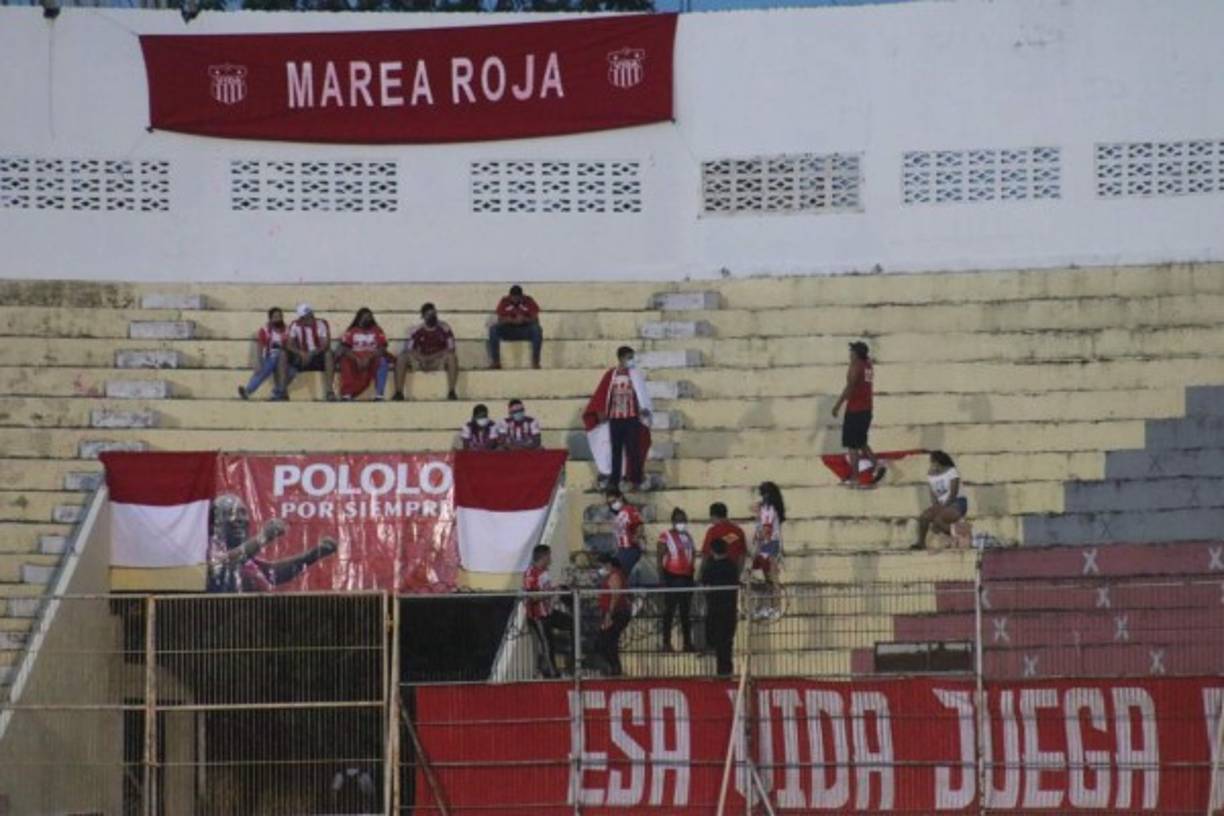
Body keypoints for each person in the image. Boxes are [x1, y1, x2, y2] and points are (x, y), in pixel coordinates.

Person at [206, 494, 338, 593]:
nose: (239, 519)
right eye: (230, 514)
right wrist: (263, 537)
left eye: (242, 513)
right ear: (213, 525)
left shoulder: (247, 558)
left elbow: (272, 573)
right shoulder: (206, 548)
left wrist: (313, 554)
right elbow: (220, 566)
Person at [582, 346, 652, 491]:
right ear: (620, 358)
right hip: (615, 419)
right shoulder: (611, 375)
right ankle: (614, 480)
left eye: (632, 357)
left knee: (633, 449)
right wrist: (601, 411)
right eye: (629, 357)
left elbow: (642, 395)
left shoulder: (635, 375)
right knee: (616, 450)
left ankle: (635, 479)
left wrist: (643, 409)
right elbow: (602, 394)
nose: (631, 360)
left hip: (631, 418)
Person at [831, 341, 882, 488]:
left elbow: (850, 387)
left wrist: (837, 405)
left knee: (852, 445)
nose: (850, 354)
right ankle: (877, 465)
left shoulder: (856, 366)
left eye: (852, 351)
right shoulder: (867, 364)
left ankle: (855, 477)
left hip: (856, 410)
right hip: (866, 409)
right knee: (861, 442)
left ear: (857, 354)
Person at [522, 544, 571, 678]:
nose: (551, 559)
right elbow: (532, 596)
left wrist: (557, 589)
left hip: (548, 612)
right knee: (546, 643)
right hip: (538, 615)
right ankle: (551, 672)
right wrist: (551, 592)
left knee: (571, 623)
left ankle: (571, 659)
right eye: (549, 556)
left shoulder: (544, 572)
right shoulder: (531, 573)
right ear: (543, 557)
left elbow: (546, 590)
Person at [394, 302, 459, 402]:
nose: (432, 316)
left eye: (433, 313)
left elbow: (451, 348)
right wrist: (421, 358)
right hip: (421, 361)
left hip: (438, 360)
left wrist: (431, 357)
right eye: (428, 315)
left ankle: (452, 391)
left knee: (452, 357)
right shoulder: (417, 330)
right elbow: (409, 349)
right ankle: (399, 392)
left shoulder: (445, 328)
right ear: (423, 317)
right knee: (402, 357)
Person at [657, 507, 697, 653]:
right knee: (670, 611)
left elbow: (692, 554)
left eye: (684, 520)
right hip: (672, 576)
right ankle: (666, 643)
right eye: (679, 520)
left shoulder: (688, 536)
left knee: (685, 611)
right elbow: (659, 557)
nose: (682, 523)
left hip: (687, 576)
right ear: (673, 521)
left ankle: (687, 643)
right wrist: (662, 578)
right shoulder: (665, 536)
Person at [912, 450, 969, 550]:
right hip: (942, 504)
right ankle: (921, 543)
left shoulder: (952, 471)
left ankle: (962, 535)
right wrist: (936, 507)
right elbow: (933, 495)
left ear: (939, 462)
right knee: (924, 517)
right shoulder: (931, 475)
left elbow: (953, 493)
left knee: (938, 521)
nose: (932, 464)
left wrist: (943, 507)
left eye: (933, 462)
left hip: (957, 502)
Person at [701, 537, 740, 677]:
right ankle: (726, 671)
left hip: (715, 607)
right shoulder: (732, 565)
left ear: (712, 551)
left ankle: (721, 670)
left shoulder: (710, 567)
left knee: (717, 639)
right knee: (726, 642)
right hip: (730, 607)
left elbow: (705, 586)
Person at [335, 307, 390, 401]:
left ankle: (379, 394)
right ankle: (347, 394)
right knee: (345, 361)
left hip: (373, 357)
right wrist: (357, 359)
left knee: (383, 361)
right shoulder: (351, 331)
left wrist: (369, 358)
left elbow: (382, 348)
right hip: (355, 358)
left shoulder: (377, 330)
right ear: (359, 318)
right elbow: (344, 348)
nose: (368, 319)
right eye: (365, 317)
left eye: (369, 317)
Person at [286, 304, 336, 402]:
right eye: (307, 316)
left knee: (328, 354)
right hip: (301, 356)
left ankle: (329, 391)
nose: (311, 318)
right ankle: (281, 390)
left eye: (311, 314)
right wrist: (301, 353)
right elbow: (289, 344)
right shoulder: (295, 325)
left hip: (317, 356)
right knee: (289, 361)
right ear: (301, 318)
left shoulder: (321, 323)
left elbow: (325, 344)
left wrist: (311, 354)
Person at [238, 307, 290, 401]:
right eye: (275, 317)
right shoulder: (265, 330)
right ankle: (280, 393)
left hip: (285, 358)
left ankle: (279, 393)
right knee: (264, 368)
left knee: (283, 358)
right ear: (270, 319)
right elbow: (260, 347)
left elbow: (290, 345)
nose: (278, 319)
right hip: (270, 357)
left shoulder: (287, 330)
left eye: (280, 316)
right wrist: (259, 361)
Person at [751, 481, 786, 621]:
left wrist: (759, 545)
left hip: (769, 545)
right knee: (768, 580)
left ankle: (775, 608)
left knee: (772, 579)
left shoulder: (768, 509)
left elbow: (766, 529)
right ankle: (771, 607)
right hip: (771, 544)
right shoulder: (771, 508)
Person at [488, 285, 544, 370]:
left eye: (518, 298)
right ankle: (496, 362)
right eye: (513, 298)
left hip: (525, 330)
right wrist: (510, 320)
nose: (515, 300)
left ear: (522, 296)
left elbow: (535, 319)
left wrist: (525, 319)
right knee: (493, 329)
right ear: (510, 296)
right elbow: (500, 319)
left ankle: (536, 362)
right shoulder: (504, 301)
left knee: (537, 329)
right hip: (509, 330)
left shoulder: (528, 300)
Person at [594, 552, 631, 677]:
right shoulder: (611, 575)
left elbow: (615, 596)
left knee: (607, 641)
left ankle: (615, 669)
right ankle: (613, 668)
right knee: (606, 641)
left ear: (607, 564)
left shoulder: (615, 575)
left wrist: (609, 614)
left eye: (601, 566)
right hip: (611, 612)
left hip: (616, 613)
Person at [607, 487, 645, 580]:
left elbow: (639, 525)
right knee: (618, 575)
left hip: (629, 549)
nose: (612, 505)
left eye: (614, 501)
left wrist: (637, 536)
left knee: (620, 576)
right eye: (610, 503)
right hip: (621, 550)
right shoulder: (619, 514)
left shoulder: (629, 510)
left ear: (620, 497)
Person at [701, 502, 748, 574]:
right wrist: (737, 574)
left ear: (713, 516)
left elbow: (706, 554)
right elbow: (742, 555)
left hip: (715, 573)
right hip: (732, 572)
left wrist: (701, 573)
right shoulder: (738, 531)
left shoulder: (712, 531)